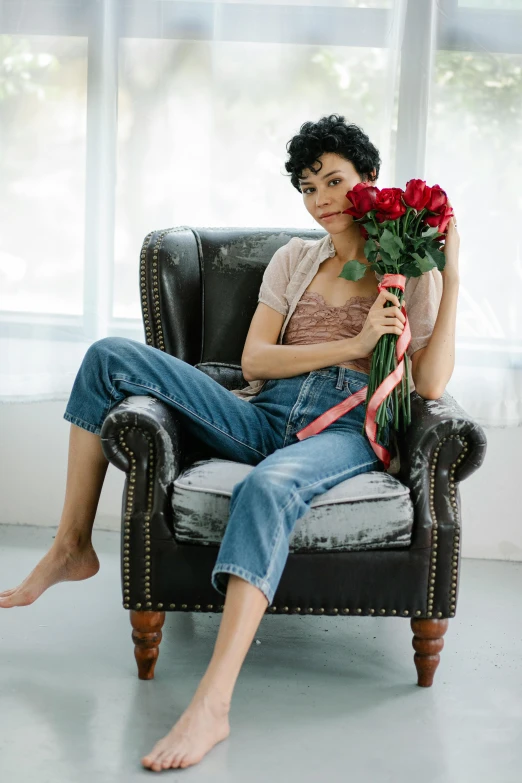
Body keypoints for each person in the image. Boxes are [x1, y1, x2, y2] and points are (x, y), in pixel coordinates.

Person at [0, 114, 459, 771]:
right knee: (106, 356)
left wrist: (453, 269)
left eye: (334, 180)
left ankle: (212, 703)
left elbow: (433, 380)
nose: (321, 198)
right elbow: (253, 362)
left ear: (370, 182)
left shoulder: (407, 266)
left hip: (345, 428)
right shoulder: (295, 259)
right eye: (307, 186)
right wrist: (355, 343)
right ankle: (71, 545)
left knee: (269, 483)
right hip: (263, 412)